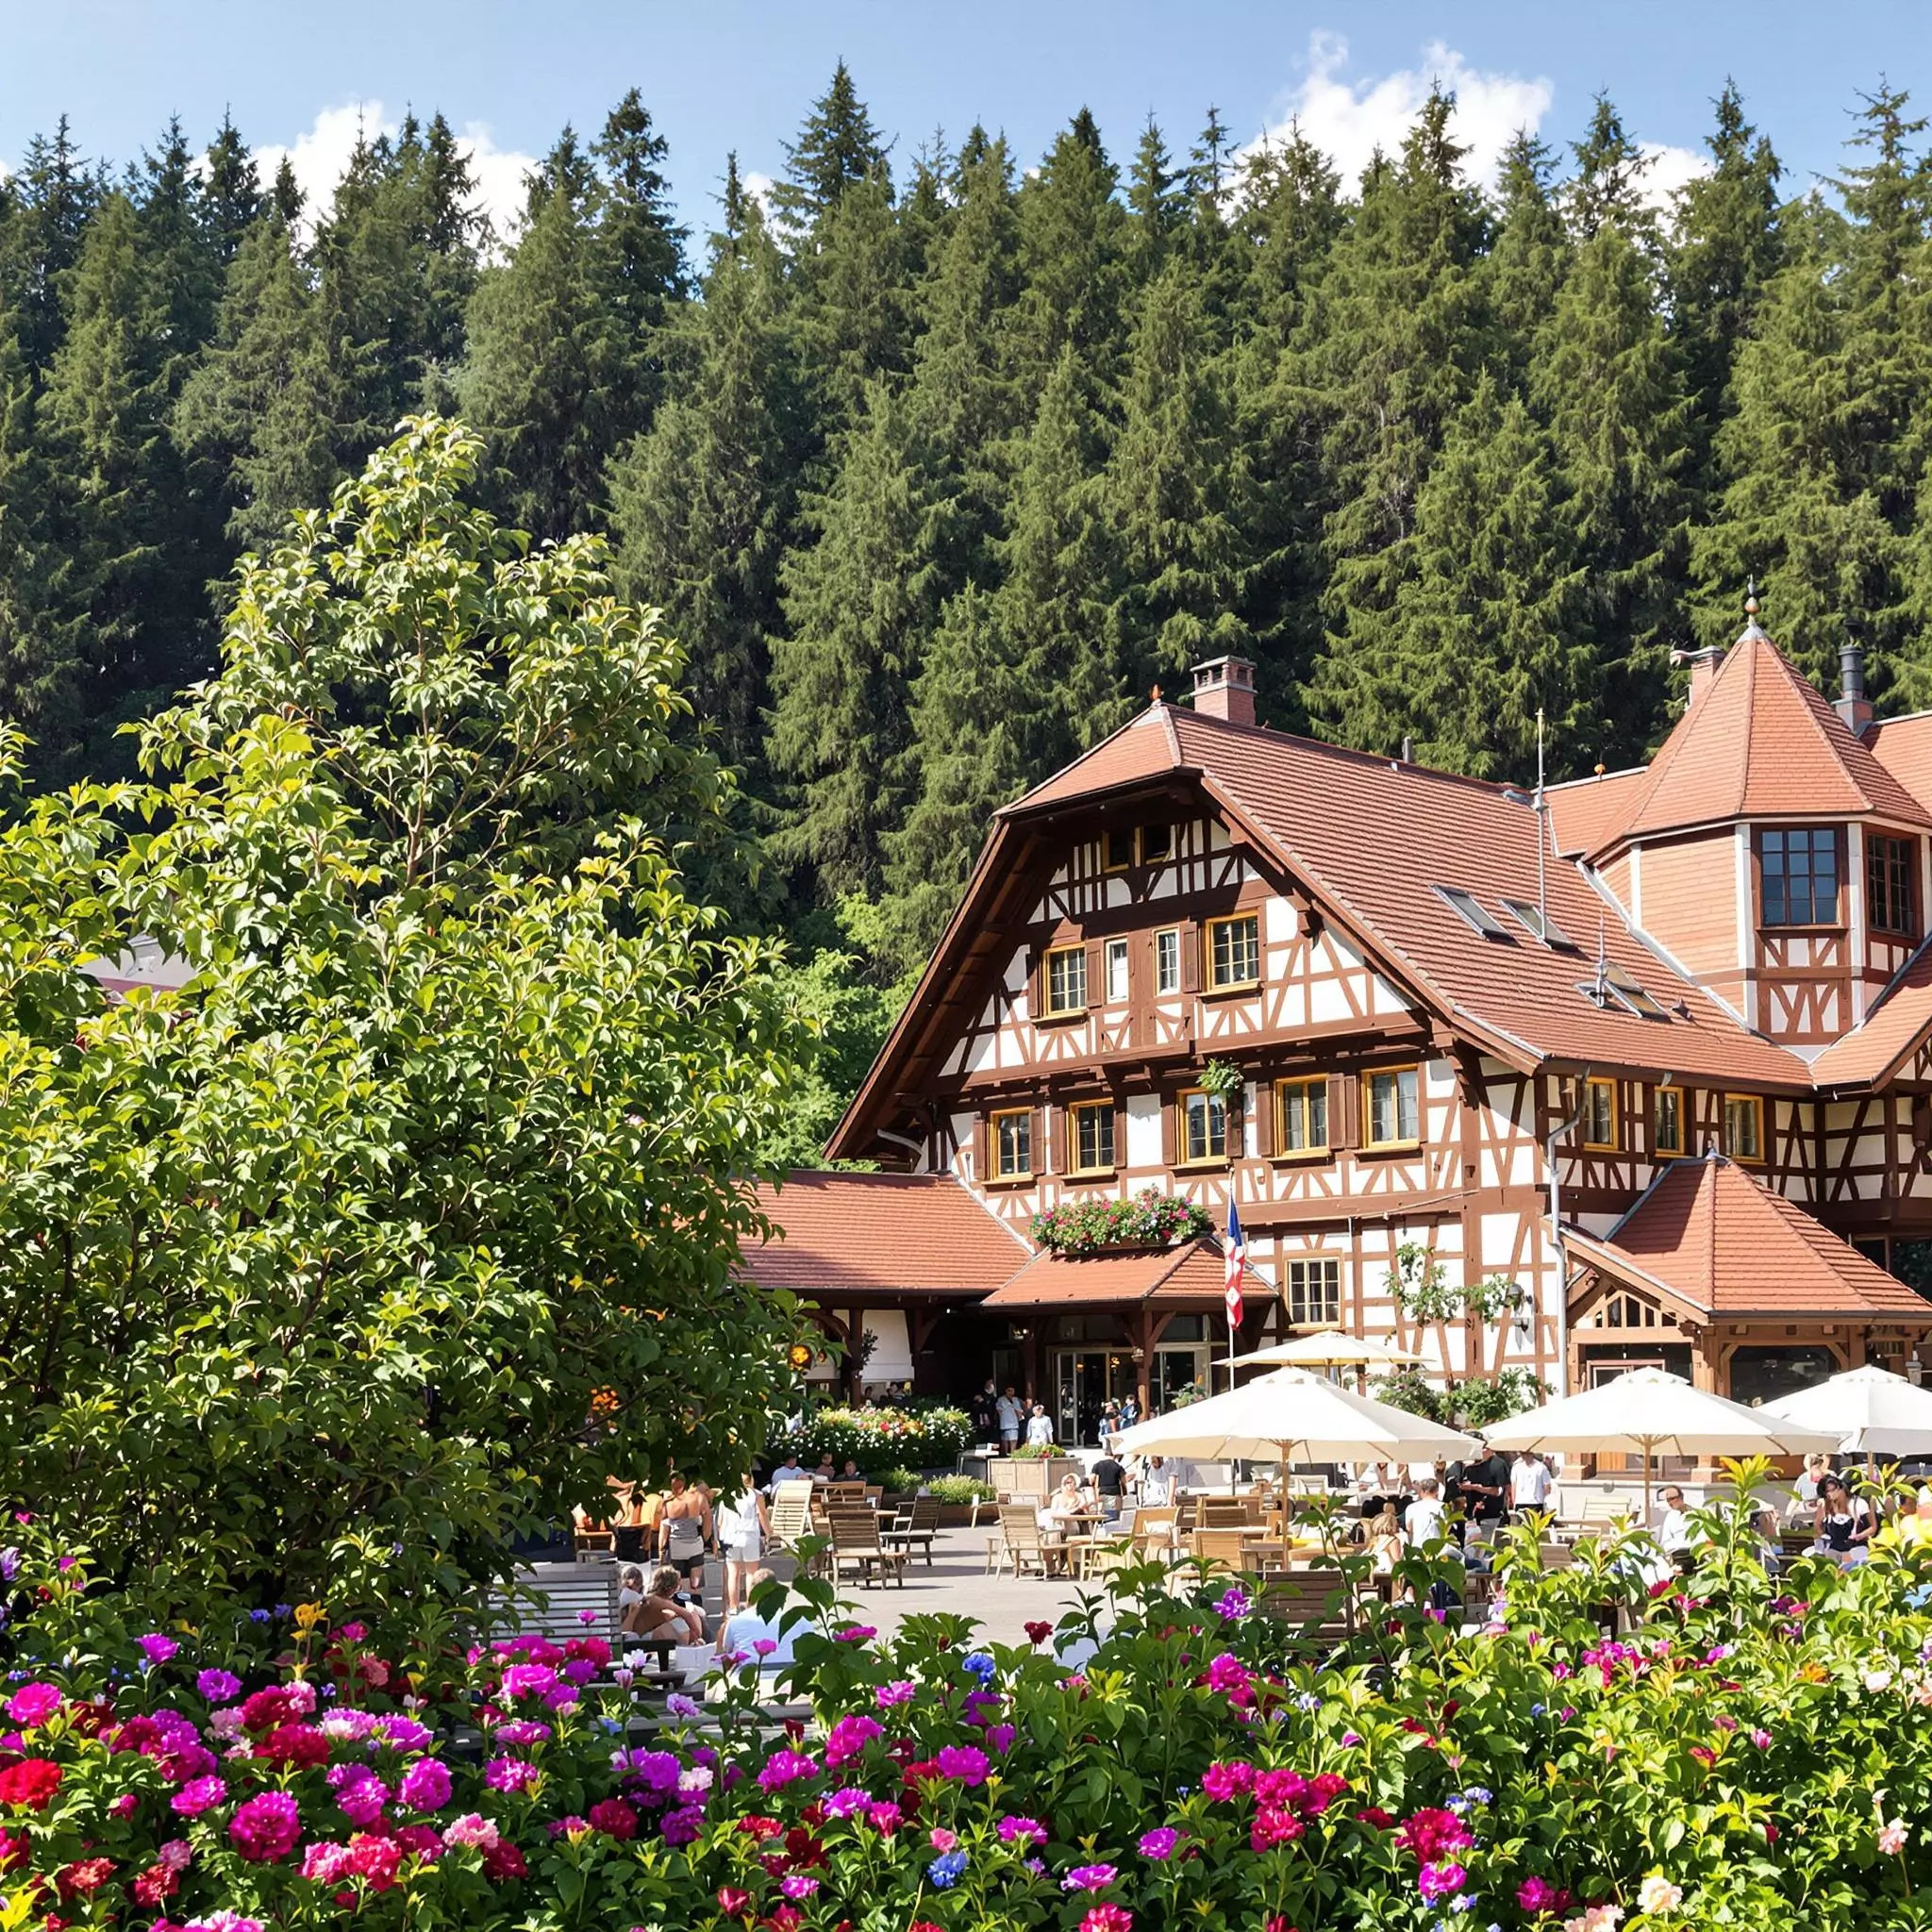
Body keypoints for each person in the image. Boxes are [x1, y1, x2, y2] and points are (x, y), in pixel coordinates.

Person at [714, 1474, 773, 1618]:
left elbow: (720, 1520)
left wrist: (718, 1540)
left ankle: (733, 1608)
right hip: (749, 1535)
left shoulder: (726, 1494)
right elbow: (762, 1514)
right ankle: (750, 1606)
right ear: (751, 1480)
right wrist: (769, 1532)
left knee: (733, 1574)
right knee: (751, 1574)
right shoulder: (756, 1494)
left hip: (730, 1536)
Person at [716, 1569, 797, 1665]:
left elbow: (726, 1653)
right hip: (790, 1674)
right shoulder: (798, 1619)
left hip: (748, 1674)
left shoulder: (737, 1621)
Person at [657, 1475, 712, 1592]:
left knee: (677, 1585)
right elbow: (708, 1520)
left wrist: (661, 1552)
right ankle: (695, 1606)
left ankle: (682, 1607)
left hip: (677, 1546)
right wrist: (706, 1538)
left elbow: (664, 1527)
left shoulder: (668, 1501)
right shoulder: (699, 1498)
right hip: (695, 1544)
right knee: (695, 1585)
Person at [629, 1563, 704, 1644]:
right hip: (642, 1640)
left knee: (684, 1619)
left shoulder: (653, 1599)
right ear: (671, 1589)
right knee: (678, 1624)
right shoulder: (655, 1600)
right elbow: (687, 1616)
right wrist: (696, 1634)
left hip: (644, 1637)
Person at [1815, 1473, 1875, 1565]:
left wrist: (1859, 1536)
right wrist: (1823, 1535)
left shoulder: (1858, 1504)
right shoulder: (1825, 1506)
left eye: (1831, 1491)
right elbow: (1817, 1525)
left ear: (1840, 1488)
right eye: (1826, 1493)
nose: (1829, 1495)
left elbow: (1873, 1528)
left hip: (1857, 1550)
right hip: (1834, 1551)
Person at [1404, 1477, 1447, 1549]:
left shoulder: (1412, 1507)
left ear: (1422, 1491)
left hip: (1418, 1546)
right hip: (1438, 1547)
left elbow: (1409, 1528)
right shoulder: (1444, 1507)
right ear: (1437, 1490)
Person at [1509, 1447, 1554, 1517]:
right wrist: (1514, 1502)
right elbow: (1513, 1486)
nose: (1525, 1456)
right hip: (1521, 1502)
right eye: (1523, 1453)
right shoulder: (1516, 1467)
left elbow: (1546, 1487)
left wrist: (1545, 1500)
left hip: (1536, 1502)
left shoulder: (1541, 1467)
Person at [1655, 1485, 1694, 1557]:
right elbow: (1665, 1541)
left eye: (1672, 1499)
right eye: (1668, 1500)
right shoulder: (1670, 1516)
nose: (1670, 1503)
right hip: (1675, 1554)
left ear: (1681, 1497)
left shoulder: (1695, 1514)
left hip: (1692, 1553)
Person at [1367, 1501, 1404, 1575]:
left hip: (1374, 1571)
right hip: (1387, 1572)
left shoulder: (1376, 1539)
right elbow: (1397, 1561)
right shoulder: (1392, 1540)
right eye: (1396, 1525)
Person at [1091, 1448, 1127, 1516]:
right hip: (1114, 1494)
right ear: (1114, 1455)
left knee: (1101, 1517)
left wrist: (1095, 1491)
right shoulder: (1118, 1467)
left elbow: (1091, 1480)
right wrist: (1125, 1494)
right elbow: (1123, 1482)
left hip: (1101, 1493)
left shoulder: (1097, 1465)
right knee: (1112, 1518)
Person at [996, 1386, 1024, 1453]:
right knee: (1005, 1440)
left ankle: (1013, 1455)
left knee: (1014, 1440)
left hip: (1014, 1424)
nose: (1011, 1392)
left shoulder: (1016, 1400)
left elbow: (1020, 1411)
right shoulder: (1001, 1400)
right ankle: (1005, 1455)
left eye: (1012, 1391)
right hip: (1004, 1424)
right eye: (1009, 1390)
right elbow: (999, 1411)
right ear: (1006, 1391)